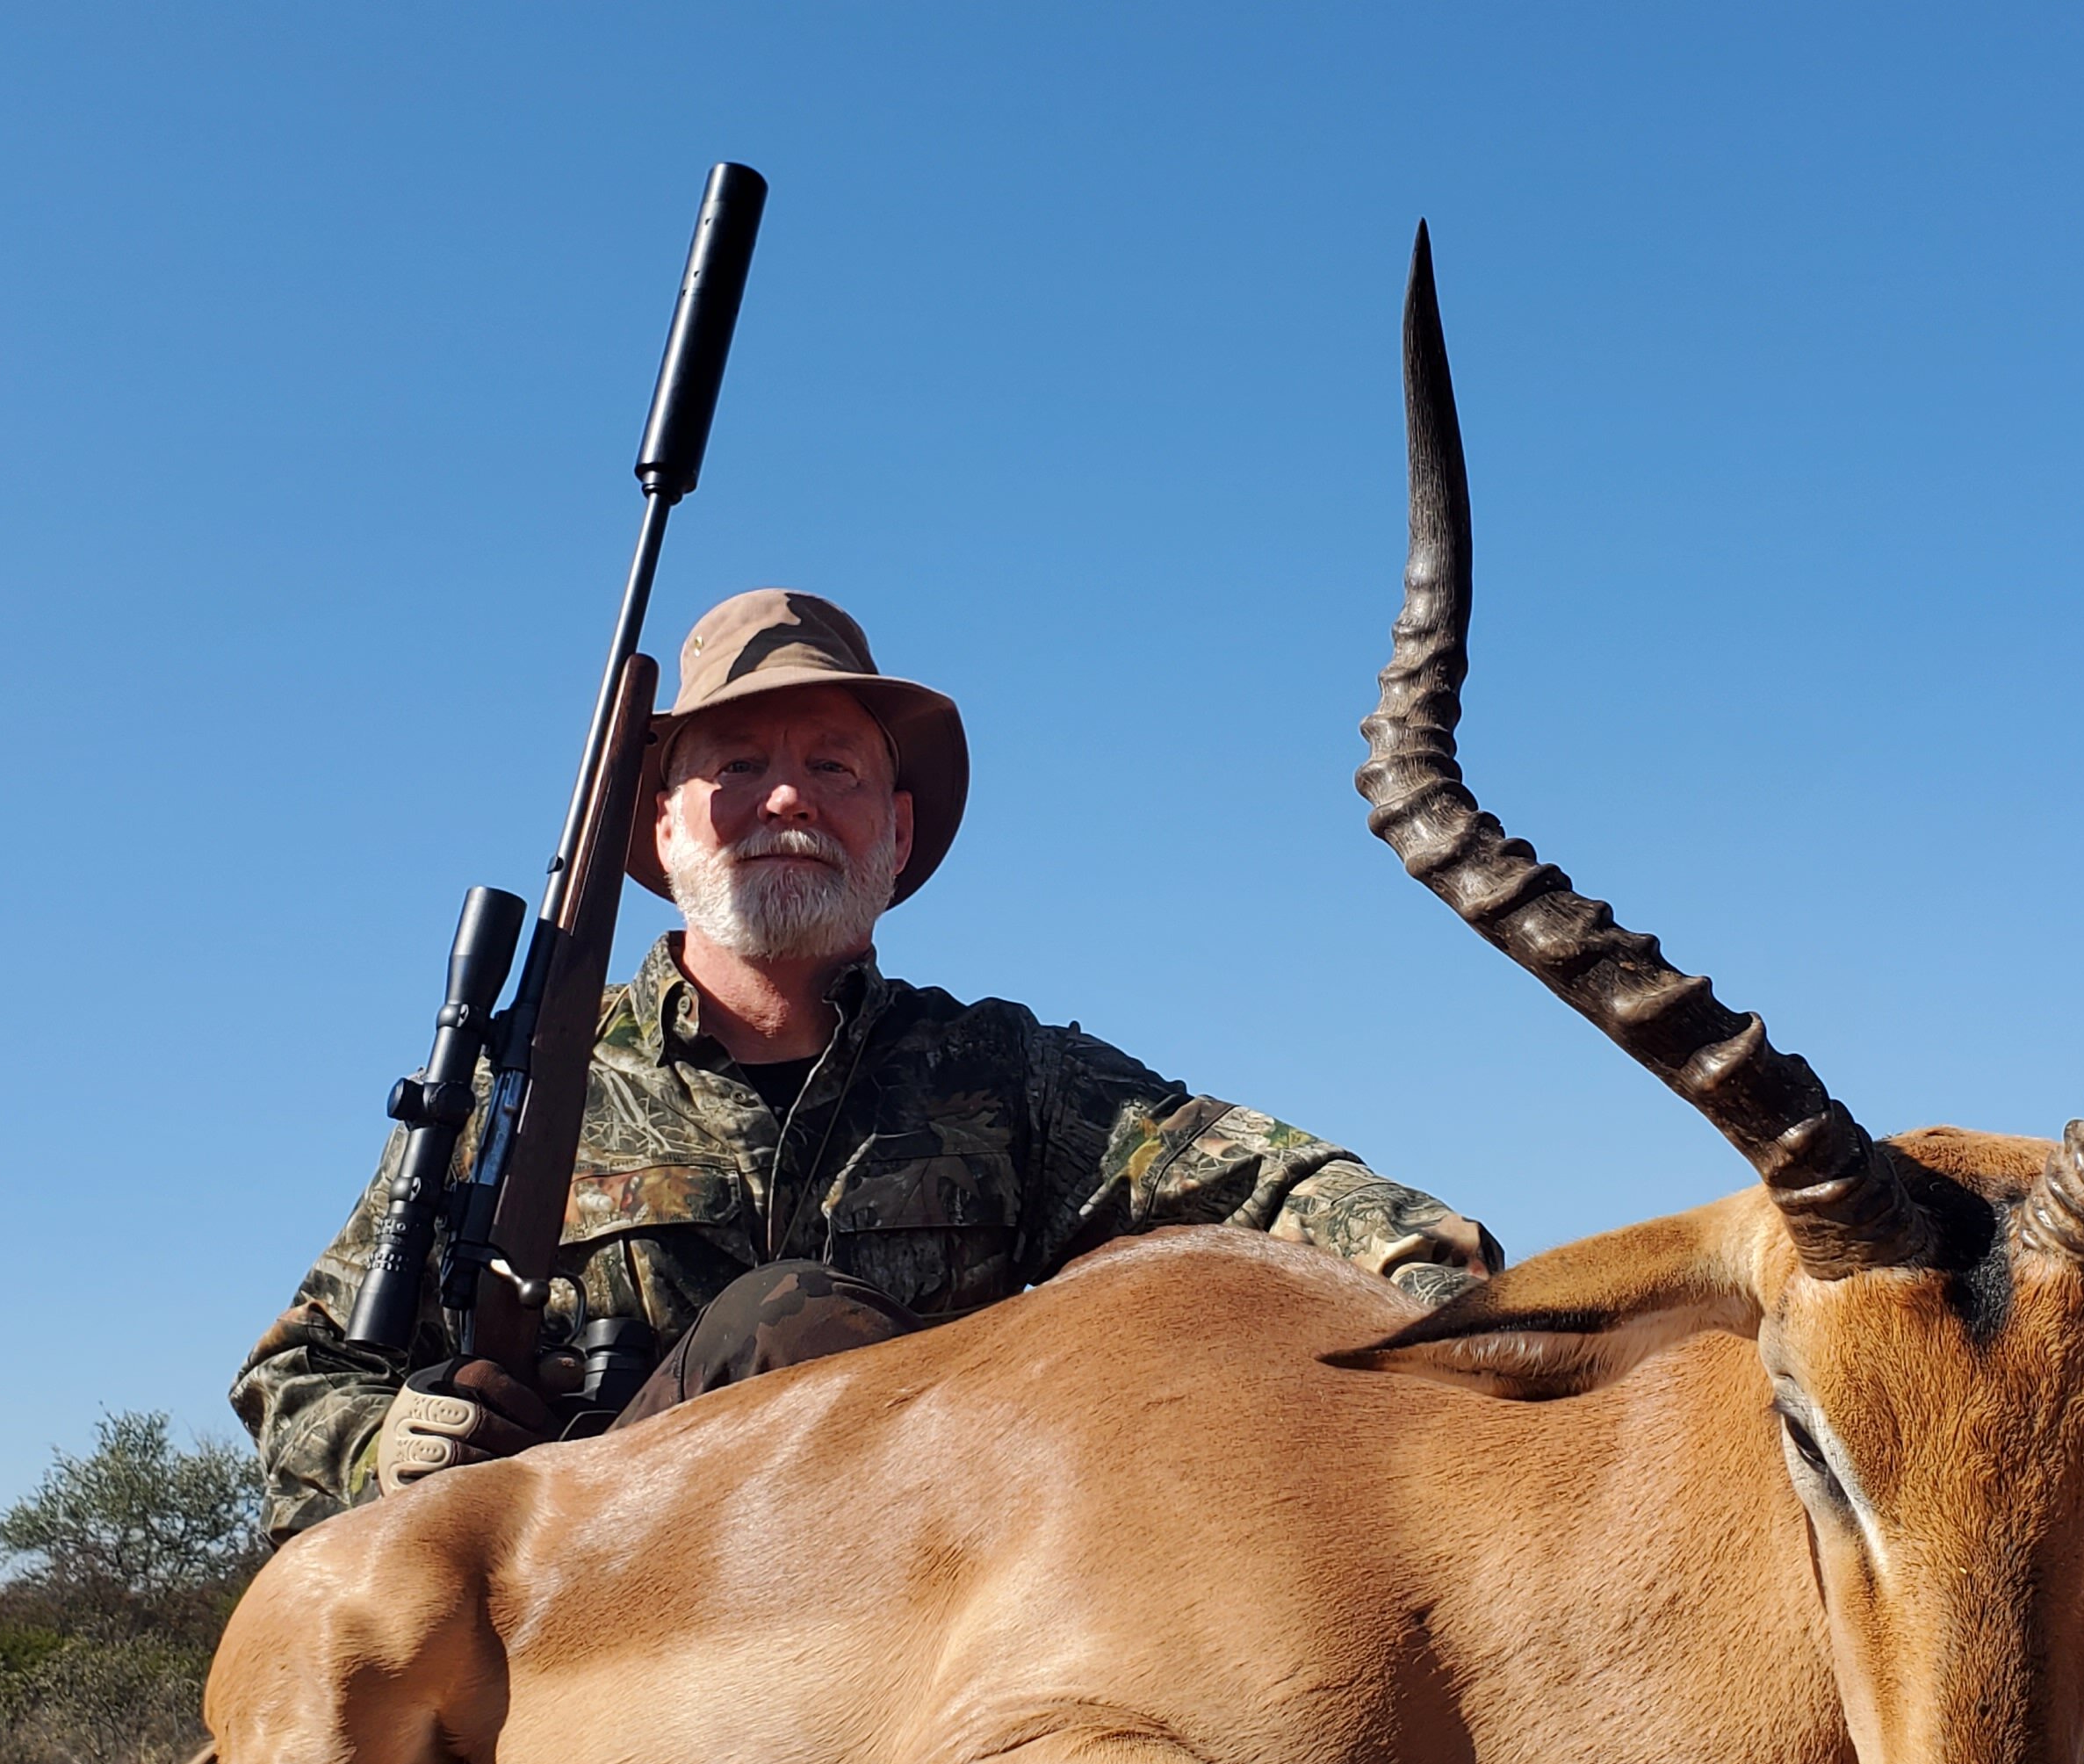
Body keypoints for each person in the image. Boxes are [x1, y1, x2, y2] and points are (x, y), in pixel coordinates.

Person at [234, 587, 1497, 1540]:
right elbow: (295, 1380)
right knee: (795, 1323)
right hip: (579, 1609)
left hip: (889, 1638)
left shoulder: (1008, 1076)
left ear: (894, 835)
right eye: (739, 765)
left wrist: (1449, 1293)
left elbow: (1269, 1184)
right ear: (664, 829)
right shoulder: (517, 1102)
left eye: (833, 768)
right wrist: (381, 1448)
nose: (790, 800)